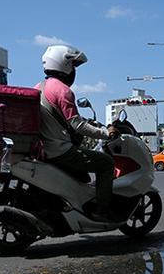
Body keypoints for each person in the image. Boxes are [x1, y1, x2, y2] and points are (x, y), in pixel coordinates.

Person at [36, 45, 119, 221]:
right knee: (105, 163)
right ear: (64, 65)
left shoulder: (38, 87)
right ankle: (102, 210)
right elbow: (78, 125)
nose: (74, 71)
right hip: (61, 151)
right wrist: (106, 133)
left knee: (83, 176)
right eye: (73, 66)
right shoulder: (64, 91)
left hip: (43, 150)